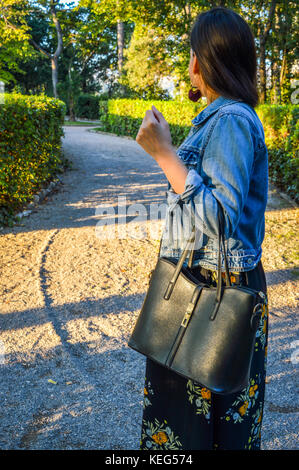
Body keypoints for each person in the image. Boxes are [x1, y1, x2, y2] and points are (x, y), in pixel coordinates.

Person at [135, 6, 269, 450]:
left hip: (212, 290)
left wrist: (164, 153)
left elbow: (218, 216)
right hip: (202, 284)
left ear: (202, 60)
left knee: (197, 431)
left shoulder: (230, 120)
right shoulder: (221, 116)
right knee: (203, 427)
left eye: (193, 51)